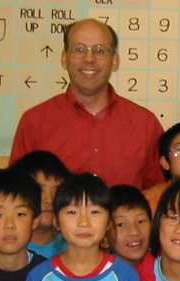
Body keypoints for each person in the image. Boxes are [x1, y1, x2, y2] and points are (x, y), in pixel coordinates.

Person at [9, 18, 164, 190]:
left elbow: (159, 193)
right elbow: (16, 193)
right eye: (79, 49)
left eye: (99, 50)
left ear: (114, 61)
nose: (89, 58)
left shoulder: (146, 125)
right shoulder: (34, 123)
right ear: (64, 58)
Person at [11, 150, 71, 259]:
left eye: (57, 190)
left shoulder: (74, 245)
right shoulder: (7, 246)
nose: (50, 200)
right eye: (40, 190)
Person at [109, 184, 153, 266]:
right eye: (120, 224)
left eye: (140, 221)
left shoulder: (163, 267)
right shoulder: (98, 272)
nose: (134, 231)